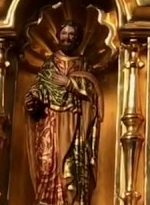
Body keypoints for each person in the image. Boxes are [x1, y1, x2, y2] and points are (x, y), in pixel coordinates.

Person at [24, 20, 103, 205]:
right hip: (50, 123)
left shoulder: (83, 64)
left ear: (77, 40)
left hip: (74, 125)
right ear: (58, 37)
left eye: (71, 35)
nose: (67, 38)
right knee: (47, 165)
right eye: (64, 34)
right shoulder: (50, 64)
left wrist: (69, 84)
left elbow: (92, 93)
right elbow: (40, 89)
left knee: (71, 169)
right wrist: (32, 100)